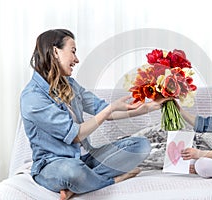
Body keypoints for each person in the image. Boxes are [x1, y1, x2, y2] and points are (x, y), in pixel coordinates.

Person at [20, 29, 165, 200]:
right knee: (72, 172)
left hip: (85, 159)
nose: (77, 59)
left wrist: (143, 110)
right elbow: (76, 135)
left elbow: (100, 109)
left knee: (140, 146)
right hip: (53, 165)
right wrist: (109, 110)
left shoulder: (70, 85)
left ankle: (83, 184)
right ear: (55, 52)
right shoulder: (33, 97)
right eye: (73, 51)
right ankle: (113, 179)